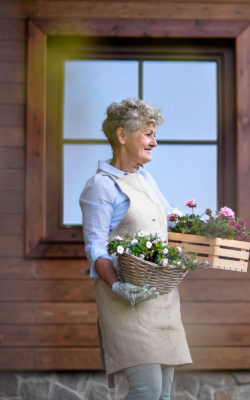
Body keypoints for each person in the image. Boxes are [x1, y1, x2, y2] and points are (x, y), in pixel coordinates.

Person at [79, 98, 192, 399]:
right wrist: (118, 286)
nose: (154, 142)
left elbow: (171, 219)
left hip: (160, 298)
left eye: (154, 134)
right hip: (124, 301)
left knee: (163, 395)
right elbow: (95, 247)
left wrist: (213, 227)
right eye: (148, 133)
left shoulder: (146, 179)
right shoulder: (100, 185)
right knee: (147, 390)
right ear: (121, 136)